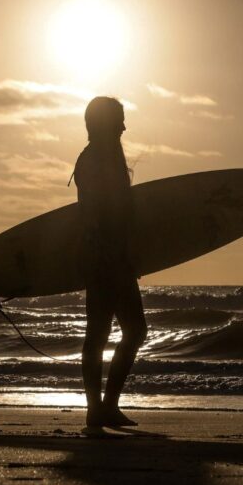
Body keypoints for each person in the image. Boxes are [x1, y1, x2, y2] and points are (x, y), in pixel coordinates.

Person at [74, 96, 146, 429]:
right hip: (104, 259)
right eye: (119, 119)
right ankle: (98, 409)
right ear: (105, 123)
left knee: (123, 332)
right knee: (107, 334)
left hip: (108, 259)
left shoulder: (105, 159)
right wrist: (115, 256)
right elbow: (98, 217)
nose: (124, 126)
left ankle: (104, 407)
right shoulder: (93, 161)